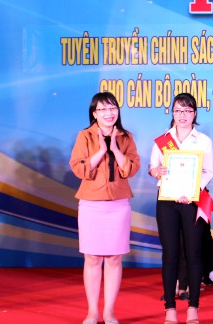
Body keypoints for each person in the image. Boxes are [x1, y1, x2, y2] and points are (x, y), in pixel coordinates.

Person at [69, 92, 141, 324]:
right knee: (92, 258)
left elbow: (131, 169)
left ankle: (109, 312)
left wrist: (115, 149)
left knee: (113, 258)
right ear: (94, 113)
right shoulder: (85, 136)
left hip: (118, 205)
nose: (109, 113)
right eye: (103, 109)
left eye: (112, 108)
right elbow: (78, 168)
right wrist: (101, 150)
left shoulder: (126, 137)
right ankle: (92, 311)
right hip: (91, 204)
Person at [149, 93, 213, 324]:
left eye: (187, 111)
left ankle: (193, 307)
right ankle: (170, 308)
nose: (182, 115)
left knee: (194, 253)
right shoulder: (163, 140)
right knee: (170, 254)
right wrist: (156, 172)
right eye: (178, 110)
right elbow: (153, 167)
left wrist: (193, 190)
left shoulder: (203, 140)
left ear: (194, 114)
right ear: (172, 113)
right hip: (167, 200)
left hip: (192, 201)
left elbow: (207, 172)